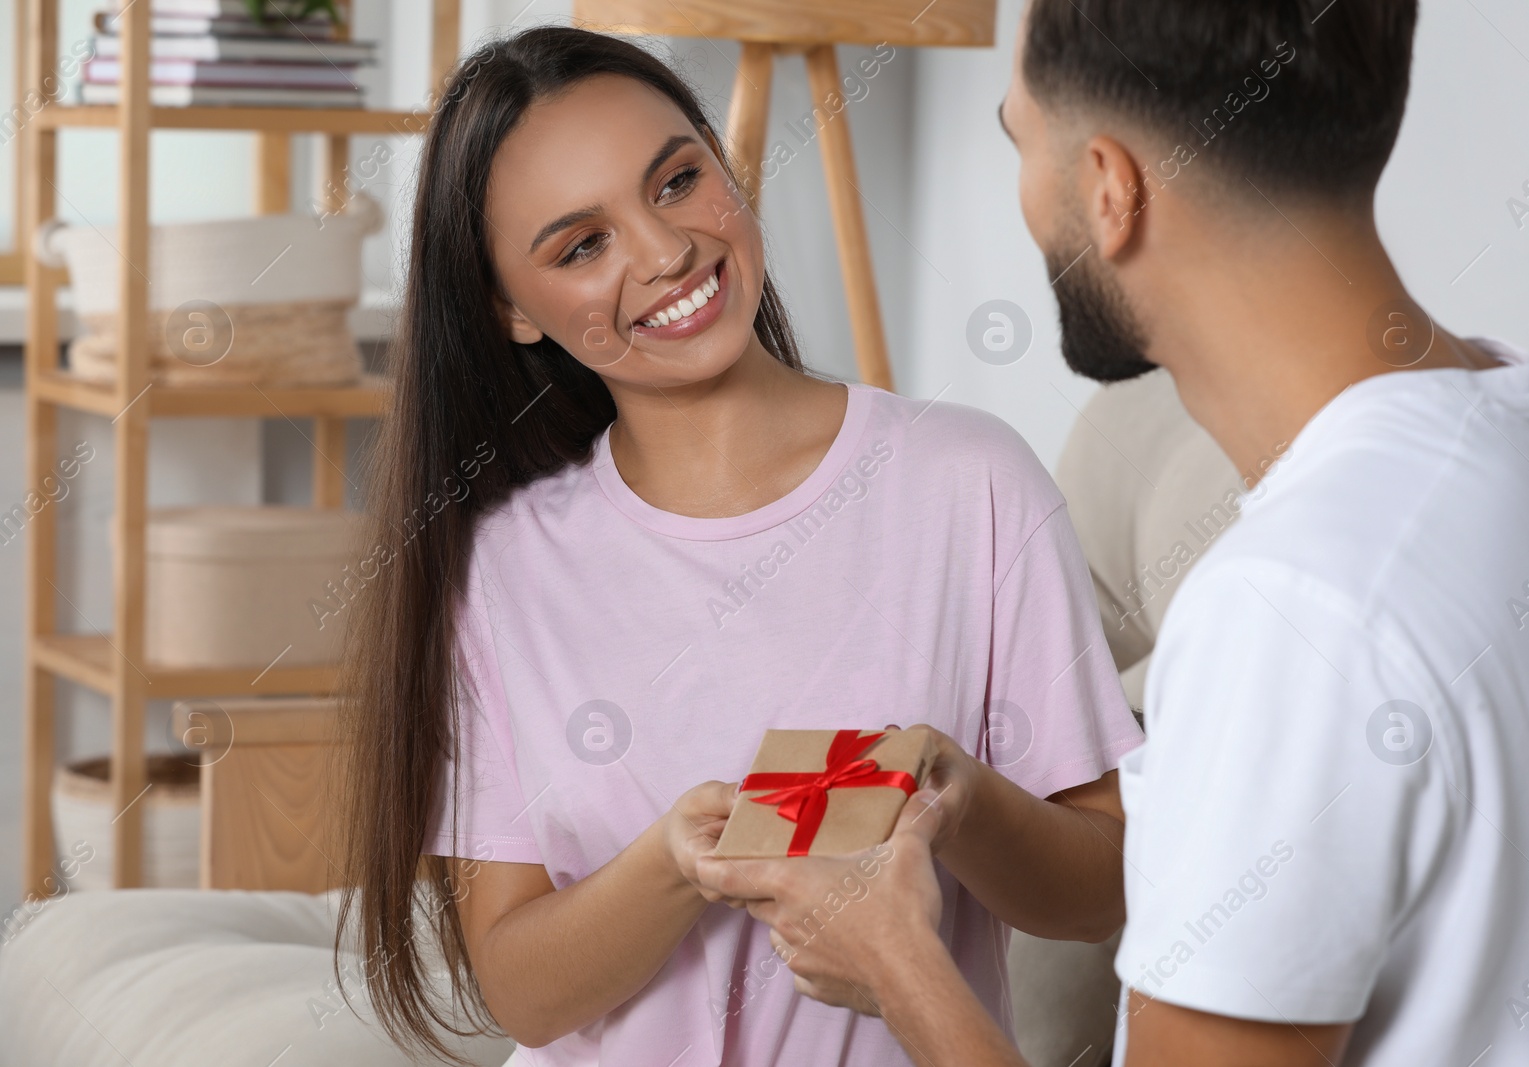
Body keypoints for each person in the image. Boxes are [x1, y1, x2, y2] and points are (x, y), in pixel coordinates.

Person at [698, 1, 1529, 1065]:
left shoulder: (1286, 608)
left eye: (1018, 143)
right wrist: (965, 790)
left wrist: (898, 967)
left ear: (1108, 188)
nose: (1027, 197)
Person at [333, 25, 1145, 1067]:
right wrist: (674, 864)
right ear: (511, 310)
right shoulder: (503, 569)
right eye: (581, 245)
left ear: (722, 160)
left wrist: (956, 791)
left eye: (675, 181)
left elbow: (1100, 889)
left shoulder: (969, 483)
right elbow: (523, 992)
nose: (666, 250)